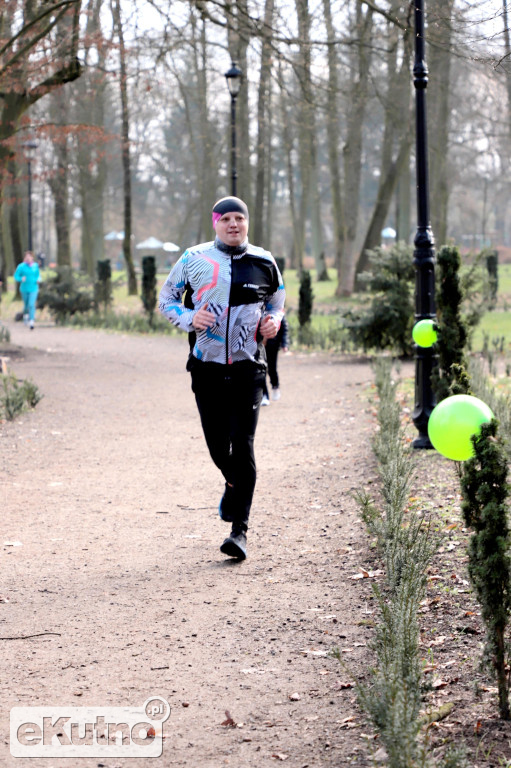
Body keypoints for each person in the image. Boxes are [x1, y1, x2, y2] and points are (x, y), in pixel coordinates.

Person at [159, 196, 286, 561]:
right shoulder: (194, 258)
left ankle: (239, 532)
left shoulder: (264, 261)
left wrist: (273, 322)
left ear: (247, 223)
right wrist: (188, 319)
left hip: (249, 369)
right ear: (215, 223)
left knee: (243, 444)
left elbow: (277, 303)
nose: (234, 224)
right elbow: (166, 298)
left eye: (239, 218)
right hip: (207, 368)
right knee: (218, 446)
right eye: (226, 218)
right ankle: (232, 483)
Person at [261, 314, 290, 405]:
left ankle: (275, 386)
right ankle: (264, 395)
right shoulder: (258, 309)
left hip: (273, 346)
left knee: (272, 369)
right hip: (260, 347)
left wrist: (284, 344)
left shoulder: (277, 312)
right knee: (261, 371)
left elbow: (284, 329)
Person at [14, 251, 40, 330]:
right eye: (27, 257)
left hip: (34, 288)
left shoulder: (35, 266)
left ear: (32, 257)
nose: (28, 258)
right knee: (26, 305)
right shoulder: (21, 266)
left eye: (30, 257)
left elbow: (38, 275)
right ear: (25, 258)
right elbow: (16, 276)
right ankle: (25, 315)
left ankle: (32, 321)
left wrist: (38, 279)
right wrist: (21, 278)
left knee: (31, 304)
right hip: (24, 289)